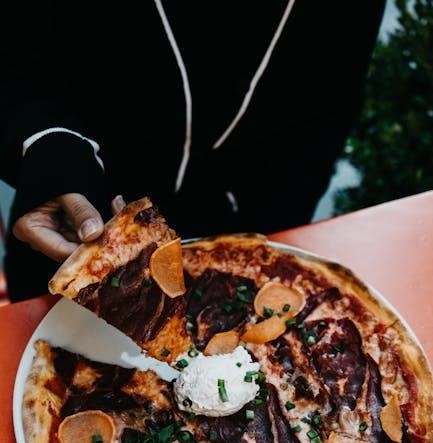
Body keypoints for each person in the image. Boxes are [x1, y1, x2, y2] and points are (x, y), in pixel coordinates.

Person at [0, 1, 385, 302]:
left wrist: (260, 250)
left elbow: (324, 123)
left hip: (242, 248)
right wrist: (48, 149)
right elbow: (15, 63)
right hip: (72, 233)